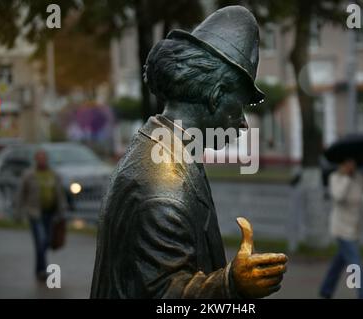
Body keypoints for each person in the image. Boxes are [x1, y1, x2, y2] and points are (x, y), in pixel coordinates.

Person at [91, 6, 288, 299]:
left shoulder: (163, 146)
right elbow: (161, 294)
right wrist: (231, 284)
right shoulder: (164, 186)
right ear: (216, 95)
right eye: (241, 105)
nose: (244, 122)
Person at [319, 158, 363, 299]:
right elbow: (338, 196)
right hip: (342, 229)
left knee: (339, 262)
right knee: (357, 266)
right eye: (347, 162)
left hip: (354, 228)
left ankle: (326, 289)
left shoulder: (359, 178)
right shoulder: (335, 178)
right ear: (342, 164)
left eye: (352, 162)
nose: (351, 165)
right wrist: (346, 177)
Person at [15, 149, 67, 281]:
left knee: (46, 241)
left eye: (44, 158)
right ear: (35, 160)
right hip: (35, 213)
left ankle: (39, 269)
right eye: (39, 158)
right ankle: (42, 271)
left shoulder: (54, 174)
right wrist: (18, 212)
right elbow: (20, 194)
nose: (42, 160)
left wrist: (62, 210)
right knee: (41, 240)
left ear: (47, 159)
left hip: (50, 213)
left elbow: (60, 194)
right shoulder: (29, 175)